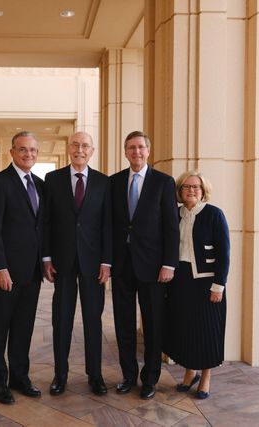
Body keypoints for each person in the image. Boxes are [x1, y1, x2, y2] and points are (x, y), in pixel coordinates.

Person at [110, 131, 180, 399]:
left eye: (140, 147)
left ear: (148, 151)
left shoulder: (163, 182)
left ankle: (150, 378)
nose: (136, 152)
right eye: (131, 148)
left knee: (153, 324)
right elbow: (110, 225)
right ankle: (128, 375)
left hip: (153, 267)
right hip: (122, 265)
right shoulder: (115, 182)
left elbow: (171, 228)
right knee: (123, 323)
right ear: (125, 152)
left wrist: (169, 264)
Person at [42, 131, 112, 396]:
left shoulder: (104, 182)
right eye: (75, 145)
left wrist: (107, 261)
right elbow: (46, 222)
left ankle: (95, 375)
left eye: (85, 146)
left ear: (92, 151)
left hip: (94, 264)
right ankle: (60, 375)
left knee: (93, 320)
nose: (79, 149)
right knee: (62, 320)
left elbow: (107, 224)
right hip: (62, 262)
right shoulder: (53, 179)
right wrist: (46, 257)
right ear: (69, 148)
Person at [0, 131, 45, 405]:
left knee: (24, 328)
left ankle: (20, 376)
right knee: (0, 329)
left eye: (32, 150)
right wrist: (0, 267)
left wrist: (45, 261)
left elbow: (41, 228)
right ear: (12, 152)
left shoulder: (41, 185)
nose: (28, 155)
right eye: (23, 150)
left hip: (32, 272)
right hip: (6, 273)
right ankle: (0, 382)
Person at [164, 170, 230, 399]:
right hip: (181, 281)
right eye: (186, 187)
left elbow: (224, 254)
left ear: (203, 191)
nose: (191, 190)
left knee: (207, 331)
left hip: (206, 284)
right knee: (185, 328)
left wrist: (218, 286)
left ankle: (206, 377)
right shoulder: (176, 213)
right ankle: (189, 372)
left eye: (196, 187)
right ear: (180, 191)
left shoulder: (214, 214)